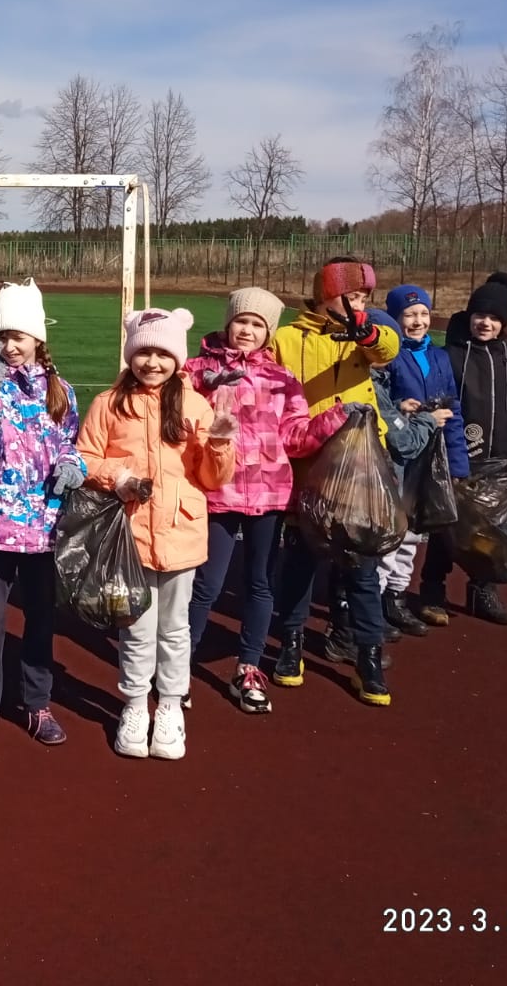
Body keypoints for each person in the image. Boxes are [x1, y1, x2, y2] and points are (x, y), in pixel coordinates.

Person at [77, 307, 236, 759]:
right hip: (130, 536)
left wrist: (221, 444)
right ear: (131, 355)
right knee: (136, 628)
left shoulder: (194, 404)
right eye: (143, 352)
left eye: (162, 353)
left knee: (175, 629)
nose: (152, 362)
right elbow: (85, 458)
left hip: (181, 533)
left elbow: (212, 478)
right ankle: (133, 704)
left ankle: (169, 706)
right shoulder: (109, 403)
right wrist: (118, 476)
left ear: (176, 357)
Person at [184, 288, 346, 715]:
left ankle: (249, 665)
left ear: (269, 332)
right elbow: (177, 409)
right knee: (207, 584)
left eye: (258, 325)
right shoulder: (197, 369)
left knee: (260, 583)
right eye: (242, 321)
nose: (247, 331)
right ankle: (181, 663)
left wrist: (335, 418)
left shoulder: (282, 379)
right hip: (216, 490)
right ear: (228, 322)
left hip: (270, 493)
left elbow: (296, 435)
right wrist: (204, 386)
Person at [0, 278, 85, 750]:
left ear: (38, 339)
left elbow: (72, 444)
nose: (11, 346)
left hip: (45, 527)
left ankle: (37, 704)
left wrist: (73, 466)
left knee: (40, 620)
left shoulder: (60, 390)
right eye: (4, 336)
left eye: (20, 336)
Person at [270, 257, 400, 704]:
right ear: (326, 294)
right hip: (309, 459)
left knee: (362, 567)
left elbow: (387, 348)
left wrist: (364, 330)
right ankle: (291, 642)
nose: (360, 303)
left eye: (365, 296)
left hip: (359, 467)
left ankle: (368, 653)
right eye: (353, 295)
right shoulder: (287, 339)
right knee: (302, 560)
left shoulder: (365, 335)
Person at [436, 278, 507, 625]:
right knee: (444, 527)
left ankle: (482, 589)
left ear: (505, 322)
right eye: (480, 315)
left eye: (494, 318)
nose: (486, 323)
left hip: (500, 464)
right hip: (455, 459)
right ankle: (431, 590)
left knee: (491, 533)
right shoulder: (449, 356)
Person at [379, 285, 469, 633]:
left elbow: (454, 409)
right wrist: (400, 406)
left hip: (432, 459)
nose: (417, 322)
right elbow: (380, 395)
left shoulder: (440, 357)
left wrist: (458, 463)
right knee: (392, 529)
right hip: (399, 455)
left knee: (414, 534)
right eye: (409, 315)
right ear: (396, 318)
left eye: (423, 315)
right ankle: (380, 596)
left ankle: (397, 595)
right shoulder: (390, 356)